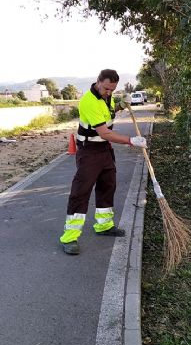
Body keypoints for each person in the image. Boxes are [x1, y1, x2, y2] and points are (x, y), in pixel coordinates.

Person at [59, 69, 147, 255]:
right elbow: (104, 132)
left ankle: (104, 225)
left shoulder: (107, 97)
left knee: (107, 186)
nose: (109, 92)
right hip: (89, 151)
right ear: (98, 82)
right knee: (80, 192)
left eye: (112, 90)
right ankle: (70, 237)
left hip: (104, 150)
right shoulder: (88, 101)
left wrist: (120, 105)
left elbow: (108, 113)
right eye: (106, 88)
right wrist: (130, 140)